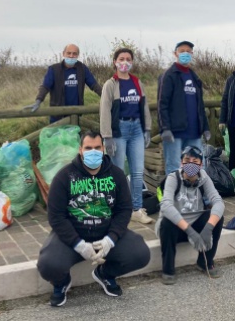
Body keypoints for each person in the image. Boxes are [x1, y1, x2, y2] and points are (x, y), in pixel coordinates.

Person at [36, 131, 150, 307]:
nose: (93, 152)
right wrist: (78, 244)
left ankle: (105, 273)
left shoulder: (117, 175)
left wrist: (111, 239)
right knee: (48, 265)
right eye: (88, 148)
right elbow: (56, 216)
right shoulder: (64, 176)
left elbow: (124, 210)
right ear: (80, 150)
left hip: (105, 234)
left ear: (103, 149)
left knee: (140, 254)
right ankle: (61, 282)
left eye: (97, 147)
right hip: (73, 236)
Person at [100, 48, 154, 225]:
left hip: (137, 129)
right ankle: (118, 208)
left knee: (137, 172)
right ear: (115, 61)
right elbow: (105, 111)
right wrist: (106, 136)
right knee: (118, 173)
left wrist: (147, 128)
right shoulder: (110, 84)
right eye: (121, 58)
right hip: (119, 130)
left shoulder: (137, 82)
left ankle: (136, 209)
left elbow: (144, 106)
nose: (125, 62)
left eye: (128, 59)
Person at [157, 146, 225, 285]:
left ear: (201, 164)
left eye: (195, 161)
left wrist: (208, 228)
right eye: (187, 160)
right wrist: (189, 231)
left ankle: (205, 262)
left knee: (218, 218)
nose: (191, 164)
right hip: (177, 226)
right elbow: (166, 206)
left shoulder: (204, 178)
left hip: (196, 223)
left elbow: (218, 202)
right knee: (166, 222)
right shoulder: (173, 177)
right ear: (182, 162)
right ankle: (168, 269)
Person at [158, 41, 211, 174]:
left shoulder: (195, 77)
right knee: (174, 167)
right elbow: (162, 103)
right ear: (175, 53)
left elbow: (200, 104)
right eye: (182, 51)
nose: (185, 53)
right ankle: (174, 194)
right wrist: (165, 128)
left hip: (194, 132)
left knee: (197, 167)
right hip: (174, 132)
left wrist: (205, 127)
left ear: (192, 54)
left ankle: (197, 194)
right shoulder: (169, 75)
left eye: (188, 51)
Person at [25, 44, 102, 123]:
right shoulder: (54, 69)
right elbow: (45, 86)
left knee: (75, 135)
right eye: (69, 53)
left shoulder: (82, 69)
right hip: (57, 116)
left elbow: (94, 85)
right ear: (63, 54)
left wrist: (107, 98)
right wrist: (38, 101)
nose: (71, 56)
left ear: (78, 55)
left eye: (74, 53)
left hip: (75, 116)